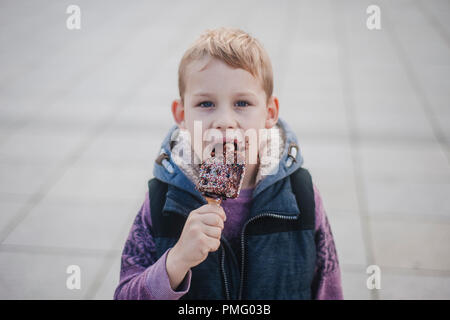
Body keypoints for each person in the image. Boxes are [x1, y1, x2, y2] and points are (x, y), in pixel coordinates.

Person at [114, 27, 343, 300]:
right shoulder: (161, 202)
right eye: (206, 103)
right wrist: (175, 262)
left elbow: (328, 287)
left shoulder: (301, 197)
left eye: (242, 103)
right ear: (181, 115)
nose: (224, 120)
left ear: (269, 113)